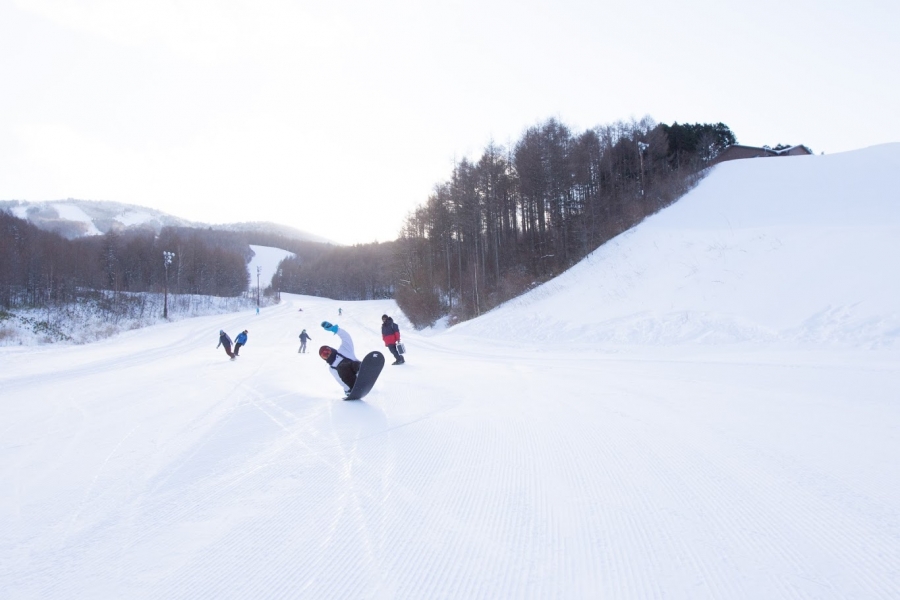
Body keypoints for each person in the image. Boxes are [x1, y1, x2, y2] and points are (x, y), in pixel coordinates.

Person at [318, 321, 360, 396]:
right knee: (342, 368)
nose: (327, 354)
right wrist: (347, 390)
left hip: (359, 370)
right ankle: (353, 387)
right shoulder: (332, 368)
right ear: (323, 359)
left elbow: (346, 337)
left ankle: (363, 369)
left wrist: (335, 329)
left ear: (330, 349)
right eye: (324, 355)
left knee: (350, 364)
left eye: (327, 351)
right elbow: (340, 381)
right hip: (352, 384)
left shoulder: (343, 350)